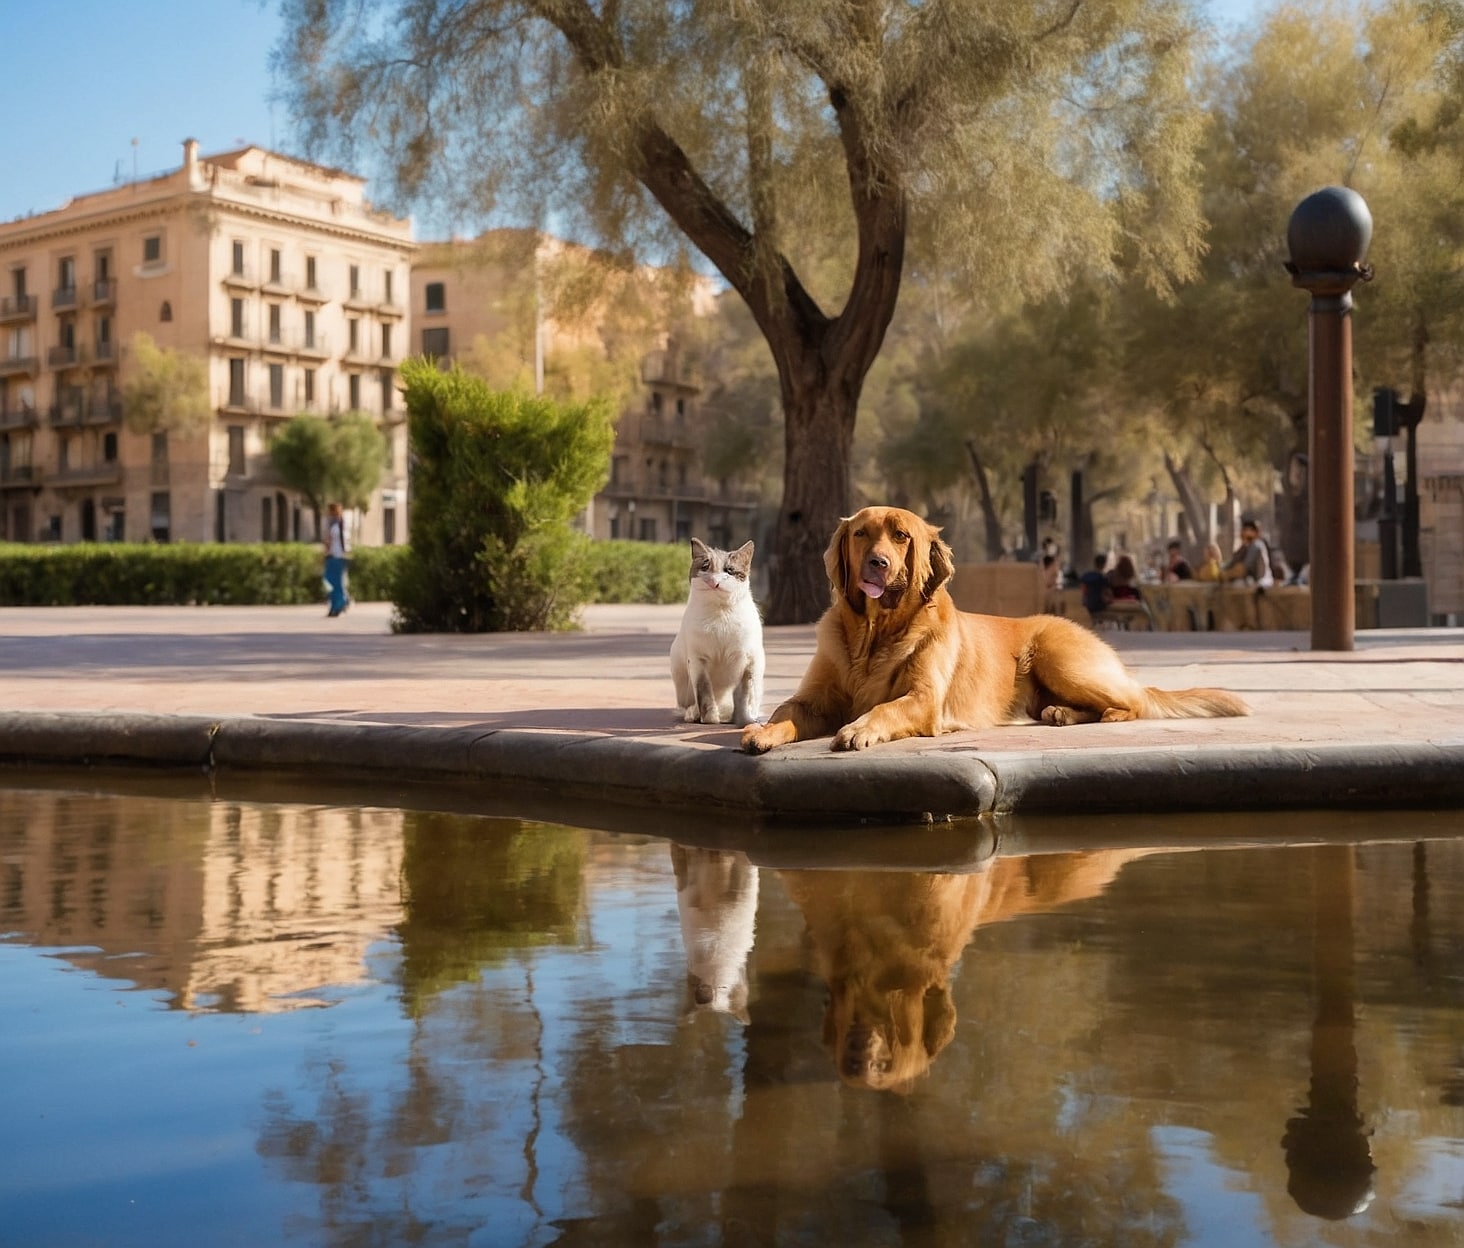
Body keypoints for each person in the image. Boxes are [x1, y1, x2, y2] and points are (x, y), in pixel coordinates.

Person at [1222, 518, 1275, 589]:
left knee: (1238, 584)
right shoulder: (1244, 547)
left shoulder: (1256, 545)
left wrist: (1228, 574)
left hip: (1261, 582)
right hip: (1251, 582)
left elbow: (1244, 568)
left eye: (1248, 530)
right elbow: (1231, 564)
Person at [322, 502, 351, 618]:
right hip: (334, 555)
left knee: (335, 582)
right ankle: (337, 604)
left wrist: (327, 547)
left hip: (337, 556)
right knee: (330, 581)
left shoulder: (339, 524)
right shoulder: (336, 523)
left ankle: (339, 604)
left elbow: (331, 540)